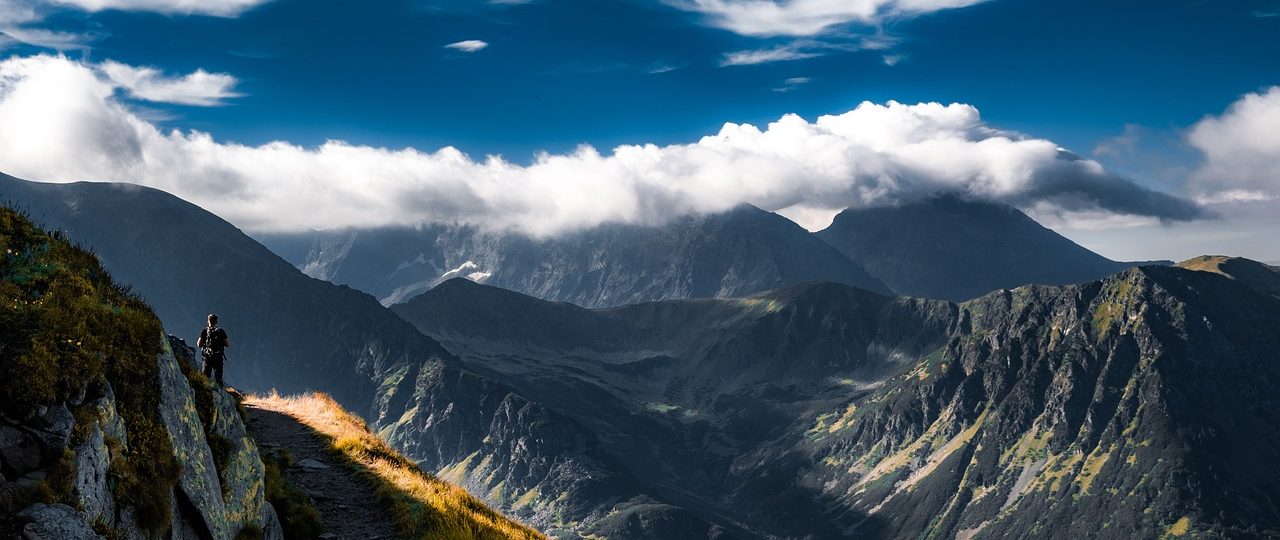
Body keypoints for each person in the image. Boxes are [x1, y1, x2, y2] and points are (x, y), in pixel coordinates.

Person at [196, 314, 231, 385]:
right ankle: (220, 393)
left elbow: (199, 344)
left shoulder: (205, 331)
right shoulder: (221, 331)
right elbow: (228, 344)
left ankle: (205, 392)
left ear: (208, 321)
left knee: (205, 378)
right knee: (219, 378)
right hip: (218, 357)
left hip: (207, 357)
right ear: (216, 322)